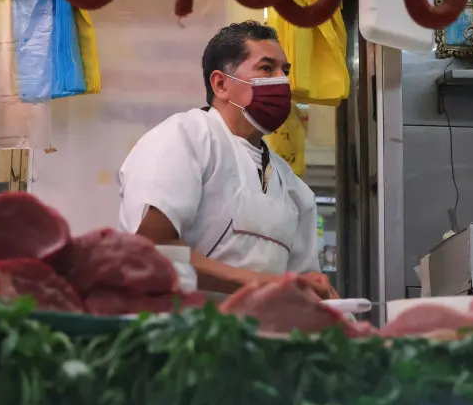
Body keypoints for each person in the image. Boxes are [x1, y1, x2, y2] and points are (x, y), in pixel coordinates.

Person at [118, 21, 334, 298]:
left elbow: (305, 286)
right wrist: (270, 285)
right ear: (220, 84)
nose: (282, 81)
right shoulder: (185, 136)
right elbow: (150, 248)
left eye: (285, 71)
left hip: (260, 337)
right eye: (267, 69)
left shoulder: (295, 189)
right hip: (178, 331)